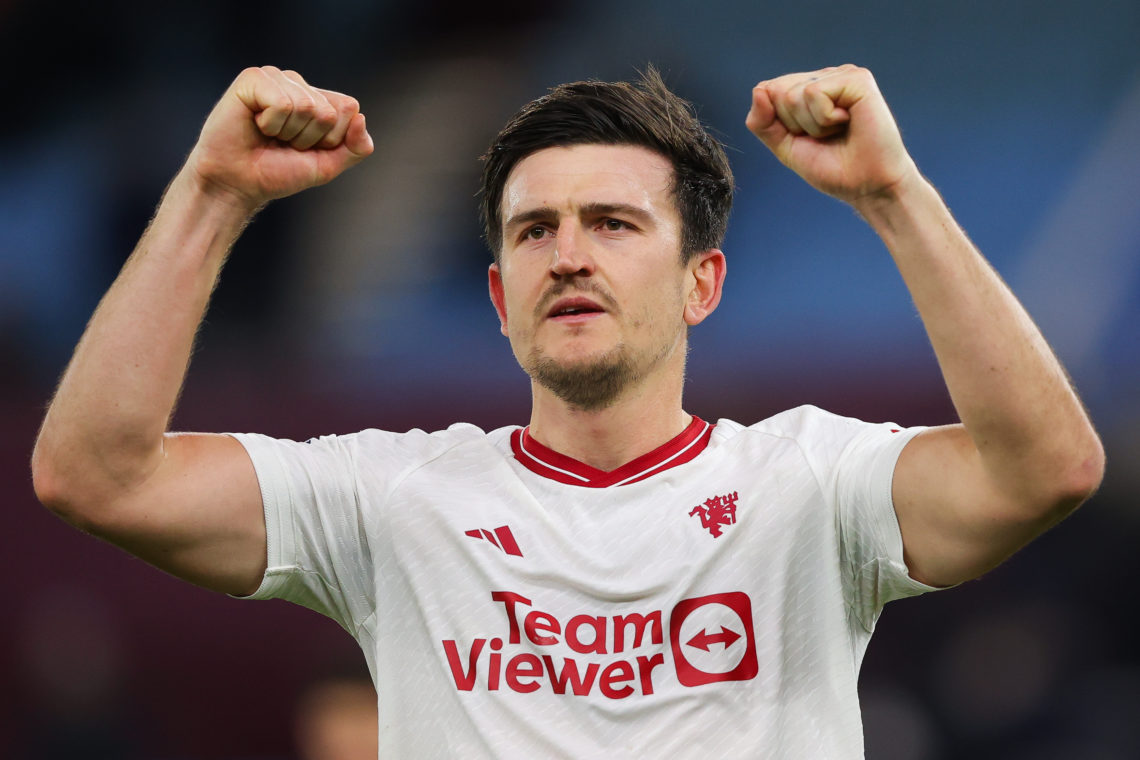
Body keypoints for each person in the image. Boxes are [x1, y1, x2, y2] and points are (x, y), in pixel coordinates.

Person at [32, 64, 1104, 758]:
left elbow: (1044, 469)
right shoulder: (395, 497)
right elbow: (96, 475)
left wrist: (893, 196)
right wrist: (215, 194)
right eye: (534, 230)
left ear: (703, 283)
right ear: (498, 298)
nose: (570, 253)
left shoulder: (810, 484)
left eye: (613, 223)